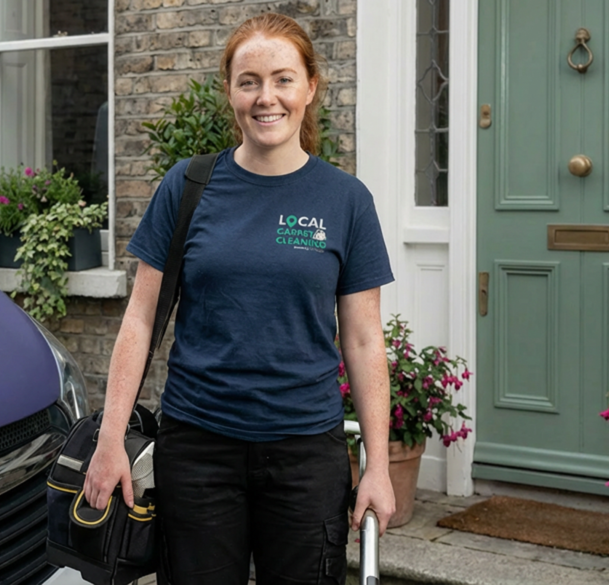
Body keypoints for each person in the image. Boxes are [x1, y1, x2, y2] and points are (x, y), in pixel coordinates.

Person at [83, 12, 396, 585]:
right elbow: (140, 318)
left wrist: (378, 463)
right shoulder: (188, 186)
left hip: (306, 455)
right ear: (229, 91)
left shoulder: (346, 200)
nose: (265, 97)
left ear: (310, 88)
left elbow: (363, 338)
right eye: (248, 80)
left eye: (282, 78)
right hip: (200, 450)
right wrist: (111, 440)